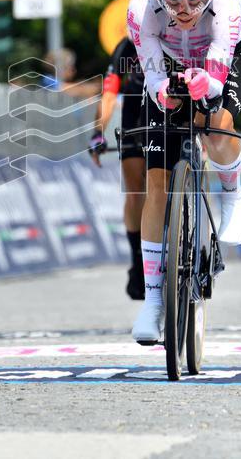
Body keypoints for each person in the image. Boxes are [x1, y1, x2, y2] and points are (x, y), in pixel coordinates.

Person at [127, 0, 241, 343]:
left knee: (217, 126)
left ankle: (232, 193)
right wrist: (161, 91)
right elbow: (150, 72)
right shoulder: (141, 8)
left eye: (194, 3)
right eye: (174, 4)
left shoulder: (228, 3)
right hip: (169, 64)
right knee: (157, 183)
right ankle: (152, 301)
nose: (184, 12)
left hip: (228, 61)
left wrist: (208, 84)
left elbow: (218, 72)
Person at [89, 35, 147, 300]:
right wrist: (98, 131)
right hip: (137, 114)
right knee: (135, 190)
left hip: (179, 109)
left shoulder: (187, 33)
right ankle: (138, 261)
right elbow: (110, 93)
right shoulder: (127, 46)